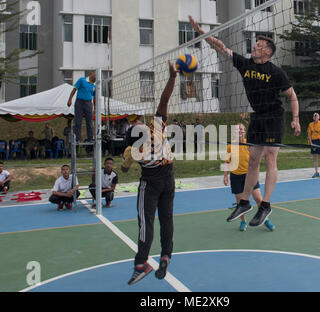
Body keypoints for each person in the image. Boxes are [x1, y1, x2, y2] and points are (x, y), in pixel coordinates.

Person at [189, 16, 301, 227]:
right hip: (257, 116)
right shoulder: (245, 64)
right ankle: (244, 202)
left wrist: (295, 119)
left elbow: (292, 96)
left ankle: (265, 205)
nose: (254, 47)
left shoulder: (276, 73)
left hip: (274, 117)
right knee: (252, 161)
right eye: (255, 44)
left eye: (259, 45)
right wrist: (200, 31)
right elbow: (220, 47)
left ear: (267, 51)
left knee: (270, 159)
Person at [121, 61, 177, 285]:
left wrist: (125, 165)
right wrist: (172, 77)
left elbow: (125, 168)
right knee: (166, 218)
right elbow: (164, 100)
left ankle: (141, 263)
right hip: (168, 177)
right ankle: (166, 254)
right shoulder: (157, 129)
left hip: (151, 182)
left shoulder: (135, 150)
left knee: (146, 222)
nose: (141, 123)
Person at [224, 124, 275, 231]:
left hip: (249, 175)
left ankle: (265, 219)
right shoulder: (230, 146)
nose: (240, 132)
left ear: (245, 131)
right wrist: (225, 176)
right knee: (240, 202)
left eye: (241, 130)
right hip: (236, 176)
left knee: (258, 198)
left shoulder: (250, 144)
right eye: (237, 130)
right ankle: (243, 222)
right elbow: (227, 161)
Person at [67, 71, 96, 143]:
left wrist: (94, 108)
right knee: (78, 121)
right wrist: (70, 99)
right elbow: (74, 90)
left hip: (89, 103)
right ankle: (77, 139)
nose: (96, 77)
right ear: (92, 73)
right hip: (79, 102)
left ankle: (90, 138)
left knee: (89, 122)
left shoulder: (95, 86)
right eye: (96, 75)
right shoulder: (82, 80)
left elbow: (94, 97)